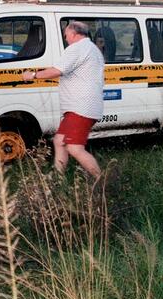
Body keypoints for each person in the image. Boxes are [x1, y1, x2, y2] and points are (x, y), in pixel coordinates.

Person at [22, 20, 104, 180]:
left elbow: (56, 71)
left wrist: (32, 75)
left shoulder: (76, 48)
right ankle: (57, 177)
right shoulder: (92, 49)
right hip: (81, 106)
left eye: (66, 35)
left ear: (74, 33)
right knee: (59, 141)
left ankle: (100, 180)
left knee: (74, 148)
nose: (66, 38)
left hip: (80, 107)